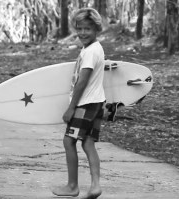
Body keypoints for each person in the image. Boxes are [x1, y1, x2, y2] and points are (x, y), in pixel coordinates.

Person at [52, 8, 105, 199]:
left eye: (88, 29)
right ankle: (95, 186)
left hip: (85, 104)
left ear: (96, 29)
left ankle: (72, 186)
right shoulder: (94, 48)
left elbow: (82, 81)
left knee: (69, 141)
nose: (83, 32)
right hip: (96, 102)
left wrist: (71, 107)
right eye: (80, 28)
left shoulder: (91, 52)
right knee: (88, 143)